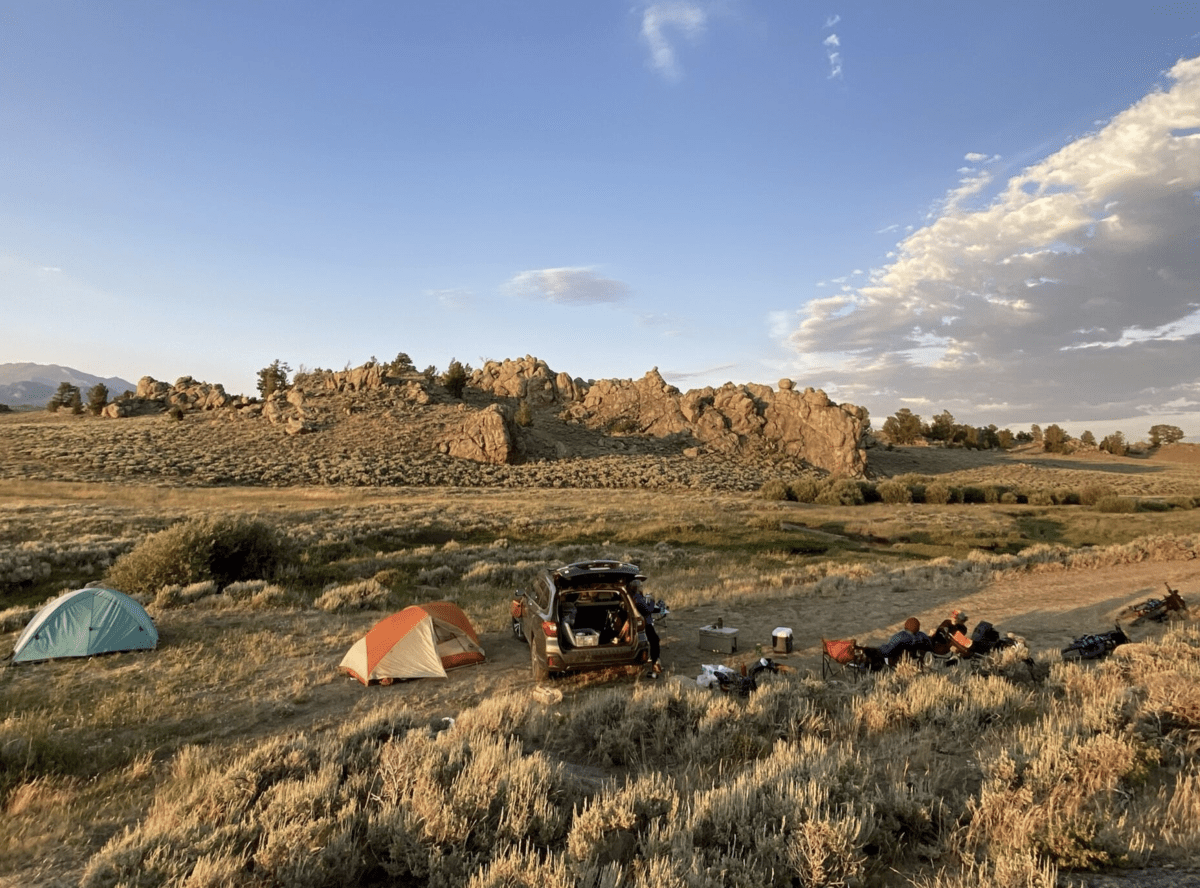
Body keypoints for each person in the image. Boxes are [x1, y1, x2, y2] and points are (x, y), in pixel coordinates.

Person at [630, 577, 662, 677]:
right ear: (636, 588)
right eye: (640, 586)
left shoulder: (635, 596)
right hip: (645, 623)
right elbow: (647, 610)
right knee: (655, 640)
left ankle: (654, 661)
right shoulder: (637, 598)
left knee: (653, 640)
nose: (642, 588)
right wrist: (652, 601)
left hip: (642, 622)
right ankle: (654, 663)